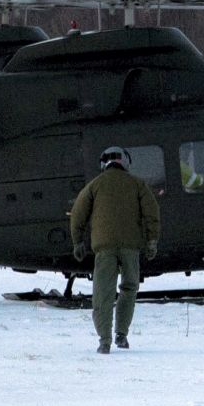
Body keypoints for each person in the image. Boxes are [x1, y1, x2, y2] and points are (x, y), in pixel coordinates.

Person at [70, 146, 161, 354]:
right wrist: (152, 241)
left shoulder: (94, 185)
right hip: (130, 246)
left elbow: (77, 214)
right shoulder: (138, 184)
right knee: (129, 288)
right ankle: (121, 335)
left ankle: (104, 340)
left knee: (103, 292)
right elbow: (151, 213)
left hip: (104, 247)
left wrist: (78, 242)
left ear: (104, 163)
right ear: (125, 162)